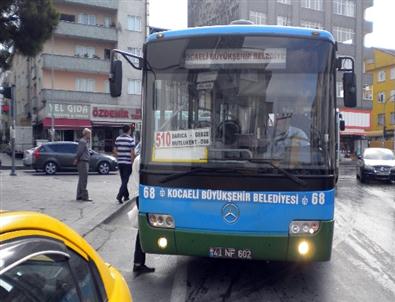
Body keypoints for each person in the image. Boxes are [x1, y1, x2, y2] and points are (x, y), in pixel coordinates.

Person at [130, 154, 155, 274]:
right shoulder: (142, 159)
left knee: (142, 229)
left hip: (141, 195)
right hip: (143, 195)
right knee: (142, 229)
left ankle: (138, 262)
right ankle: (138, 263)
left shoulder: (139, 158)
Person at [114, 125, 135, 204]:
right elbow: (132, 153)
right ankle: (119, 195)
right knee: (125, 180)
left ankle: (126, 196)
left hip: (120, 162)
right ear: (129, 130)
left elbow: (115, 150)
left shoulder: (118, 139)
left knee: (123, 180)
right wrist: (132, 162)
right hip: (127, 163)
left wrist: (119, 157)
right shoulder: (130, 139)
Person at [74, 128, 92, 201]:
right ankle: (84, 196)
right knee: (84, 180)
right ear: (86, 134)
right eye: (89, 134)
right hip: (83, 162)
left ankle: (79, 195)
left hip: (84, 161)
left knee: (81, 179)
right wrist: (76, 159)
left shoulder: (84, 141)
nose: (90, 135)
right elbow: (80, 152)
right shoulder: (83, 142)